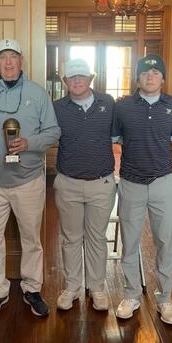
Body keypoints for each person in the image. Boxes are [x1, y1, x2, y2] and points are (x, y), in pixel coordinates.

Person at [0, 39, 60, 318]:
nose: (8, 63)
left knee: (31, 238)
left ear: (21, 61)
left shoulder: (38, 94)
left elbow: (53, 132)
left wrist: (30, 143)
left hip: (28, 180)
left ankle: (32, 288)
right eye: (3, 57)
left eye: (13, 57)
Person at [113, 54, 172, 324]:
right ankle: (131, 293)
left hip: (163, 182)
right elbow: (114, 138)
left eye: (156, 73)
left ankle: (164, 298)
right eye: (145, 73)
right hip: (131, 182)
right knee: (130, 243)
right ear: (138, 78)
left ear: (163, 78)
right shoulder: (124, 107)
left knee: (165, 243)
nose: (150, 77)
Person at [52, 58, 117, 312]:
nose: (77, 81)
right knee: (70, 238)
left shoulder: (108, 103)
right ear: (64, 81)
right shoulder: (57, 107)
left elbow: (120, 134)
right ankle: (72, 287)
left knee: (97, 238)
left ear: (91, 78)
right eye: (71, 77)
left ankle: (97, 287)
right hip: (68, 183)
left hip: (101, 183)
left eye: (82, 76)